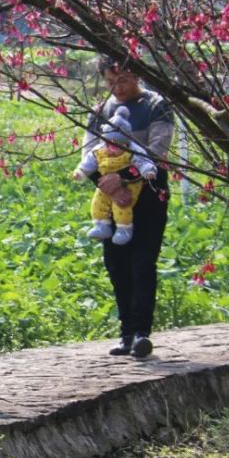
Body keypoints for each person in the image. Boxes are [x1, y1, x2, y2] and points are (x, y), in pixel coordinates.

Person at [80, 56, 174, 359]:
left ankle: (141, 332)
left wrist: (124, 179)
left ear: (136, 76)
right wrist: (108, 185)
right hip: (110, 201)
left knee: (142, 264)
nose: (116, 88)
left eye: (122, 80)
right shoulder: (100, 112)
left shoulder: (156, 105)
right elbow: (88, 153)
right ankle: (126, 333)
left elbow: (157, 150)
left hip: (148, 194)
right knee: (117, 265)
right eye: (110, 82)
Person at [72, 105, 157, 245]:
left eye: (117, 146)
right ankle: (101, 225)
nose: (111, 150)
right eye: (108, 145)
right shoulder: (98, 150)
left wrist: (148, 171)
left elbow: (143, 161)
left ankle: (124, 228)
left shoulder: (132, 150)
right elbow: (88, 163)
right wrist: (80, 173)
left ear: (125, 143)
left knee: (121, 204)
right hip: (105, 184)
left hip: (129, 185)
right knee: (97, 202)